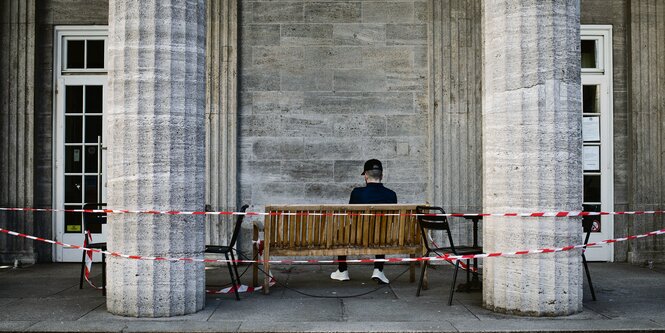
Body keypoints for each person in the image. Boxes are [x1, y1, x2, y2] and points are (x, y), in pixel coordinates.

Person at [330, 159, 397, 284]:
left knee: (340, 233)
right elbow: (391, 219)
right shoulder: (391, 194)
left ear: (366, 176)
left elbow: (351, 216)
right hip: (382, 237)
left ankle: (342, 271)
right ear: (381, 176)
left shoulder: (357, 193)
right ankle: (378, 270)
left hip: (358, 235)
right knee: (380, 231)